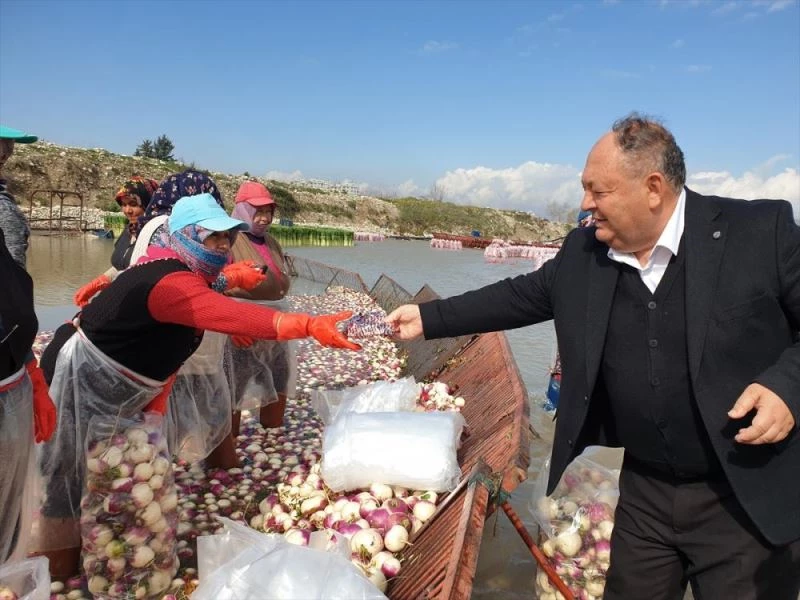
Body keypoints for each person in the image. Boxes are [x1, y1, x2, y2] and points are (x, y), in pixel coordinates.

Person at [387, 113, 800, 599]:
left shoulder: (758, 232)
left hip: (743, 491)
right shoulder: (584, 253)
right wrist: (427, 317)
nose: (585, 205)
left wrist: (787, 387)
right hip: (645, 490)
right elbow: (517, 297)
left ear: (652, 187)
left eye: (597, 191)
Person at [35, 193, 359, 576]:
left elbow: (192, 313)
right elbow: (227, 312)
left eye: (227, 238)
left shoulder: (180, 268)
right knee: (68, 469)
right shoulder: (172, 285)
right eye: (212, 238)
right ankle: (58, 568)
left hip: (123, 378)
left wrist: (151, 412)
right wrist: (306, 325)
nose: (223, 246)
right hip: (80, 372)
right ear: (185, 235)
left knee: (114, 469)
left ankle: (109, 556)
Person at [0, 124, 57, 563]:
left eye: (6, 149)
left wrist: (31, 367)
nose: (6, 154)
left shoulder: (5, 205)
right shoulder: (4, 212)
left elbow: (15, 294)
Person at [225, 181, 294, 432]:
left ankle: (272, 430)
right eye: (258, 211)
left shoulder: (271, 242)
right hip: (244, 325)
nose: (264, 218)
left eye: (269, 212)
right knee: (236, 381)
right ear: (243, 209)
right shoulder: (230, 240)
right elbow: (217, 284)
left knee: (280, 375)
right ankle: (228, 438)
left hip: (275, 325)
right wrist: (231, 325)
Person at [73, 176, 159, 307]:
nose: (127, 210)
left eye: (133, 204)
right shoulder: (130, 230)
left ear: (149, 203)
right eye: (124, 205)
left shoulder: (157, 235)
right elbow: (122, 266)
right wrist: (98, 283)